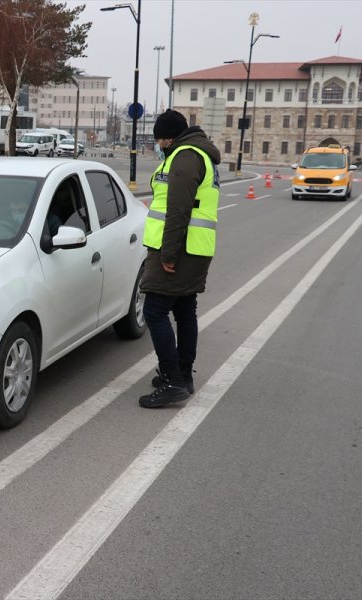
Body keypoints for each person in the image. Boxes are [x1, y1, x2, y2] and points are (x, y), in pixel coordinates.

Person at [138, 109, 221, 409]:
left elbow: (178, 210)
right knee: (185, 308)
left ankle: (173, 380)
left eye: (160, 139)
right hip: (195, 247)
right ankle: (183, 376)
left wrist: (169, 253)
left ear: (169, 136)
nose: (159, 145)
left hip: (179, 249)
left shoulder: (185, 156)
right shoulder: (197, 153)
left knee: (155, 311)